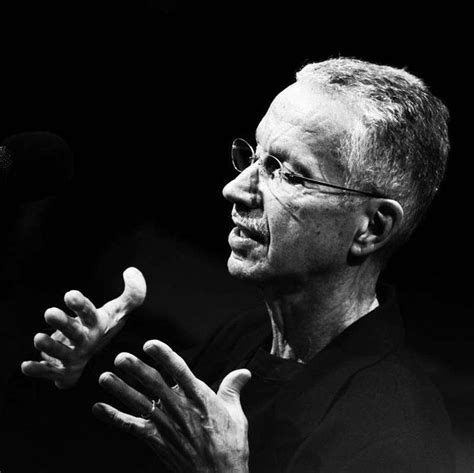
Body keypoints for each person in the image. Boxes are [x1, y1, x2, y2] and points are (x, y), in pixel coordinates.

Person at [21, 58, 454, 472]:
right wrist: (83, 367)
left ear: (372, 228)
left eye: (286, 172)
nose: (234, 188)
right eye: (254, 157)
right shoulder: (248, 335)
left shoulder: (400, 439)